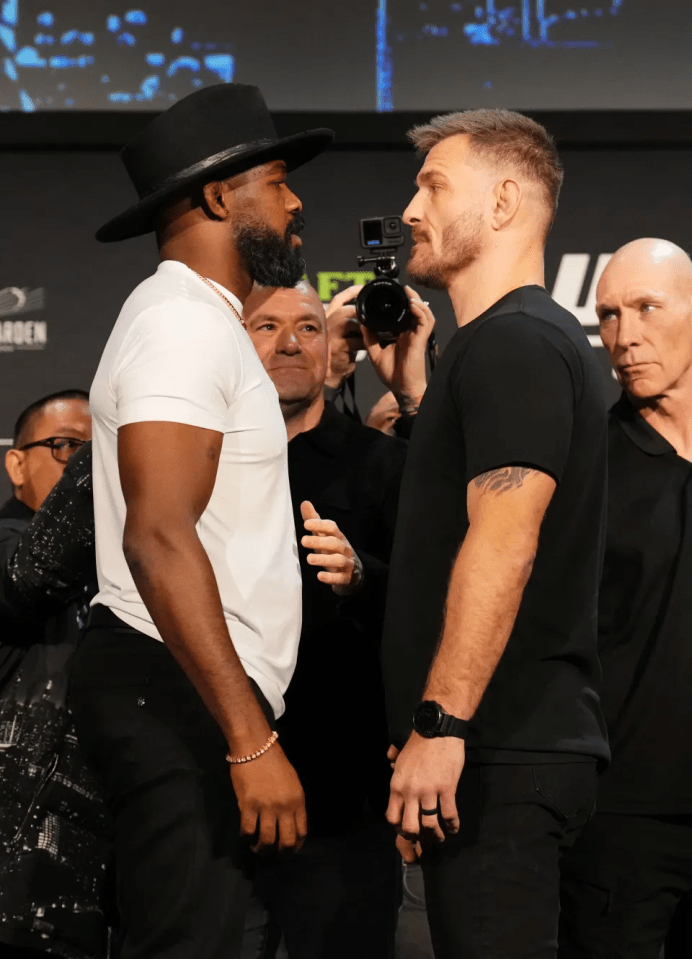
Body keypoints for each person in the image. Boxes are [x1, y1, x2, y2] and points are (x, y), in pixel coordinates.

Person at [69, 83, 333, 959]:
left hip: (185, 687)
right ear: (221, 197)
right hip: (175, 687)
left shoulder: (203, 323)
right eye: (278, 180)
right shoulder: (182, 324)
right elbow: (158, 534)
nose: (296, 202)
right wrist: (249, 739)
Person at [381, 109, 610, 959]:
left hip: (499, 749)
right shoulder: (499, 346)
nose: (410, 207)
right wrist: (415, 394)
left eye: (434, 184)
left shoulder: (514, 341)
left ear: (506, 200)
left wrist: (440, 724)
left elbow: (506, 540)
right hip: (504, 746)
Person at [241, 279, 434, 959]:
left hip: (345, 788)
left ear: (332, 351)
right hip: (221, 779)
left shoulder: (385, 464)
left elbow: (433, 601)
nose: (290, 342)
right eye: (266, 326)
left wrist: (360, 576)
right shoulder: (204, 463)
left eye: (309, 327)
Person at [559, 239, 692, 959]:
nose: (625, 334)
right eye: (608, 314)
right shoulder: (589, 464)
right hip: (622, 820)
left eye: (647, 307)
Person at [0, 392, 112, 959]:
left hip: (106, 872)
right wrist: (116, 436)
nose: (88, 459)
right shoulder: (8, 549)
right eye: (67, 446)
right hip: (18, 879)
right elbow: (31, 579)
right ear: (16, 463)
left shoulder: (137, 566)